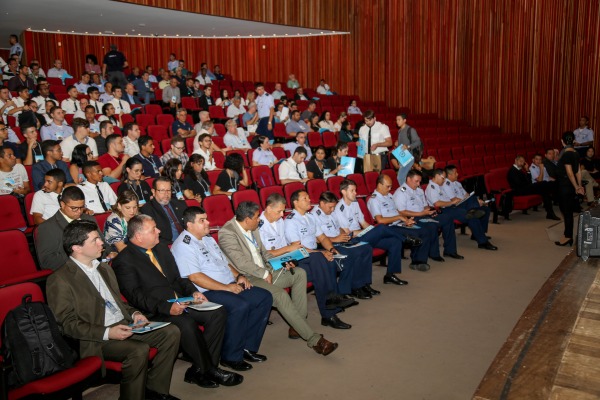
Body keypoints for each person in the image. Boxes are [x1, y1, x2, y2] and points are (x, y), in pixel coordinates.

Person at [46, 220, 181, 400]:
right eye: (95, 240)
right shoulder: (60, 279)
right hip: (96, 337)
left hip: (124, 324)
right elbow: (67, 324)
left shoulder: (103, 268)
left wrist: (135, 313)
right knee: (138, 350)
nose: (102, 243)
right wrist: (108, 332)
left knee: (171, 332)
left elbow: (118, 303)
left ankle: (155, 391)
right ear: (76, 248)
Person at [112, 214, 243, 388]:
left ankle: (200, 369)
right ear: (139, 236)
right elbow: (136, 296)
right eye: (153, 229)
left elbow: (178, 278)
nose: (159, 231)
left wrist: (193, 291)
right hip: (156, 310)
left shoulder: (161, 249)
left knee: (217, 312)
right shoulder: (124, 261)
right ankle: (210, 369)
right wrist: (167, 308)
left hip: (181, 300)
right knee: (186, 323)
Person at [218, 201, 339, 355]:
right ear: (247, 219)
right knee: (281, 296)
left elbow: (265, 254)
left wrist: (280, 264)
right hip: (248, 277)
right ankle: (315, 340)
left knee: (300, 273)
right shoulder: (227, 233)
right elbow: (241, 263)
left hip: (265, 270)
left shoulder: (252, 227)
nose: (259, 220)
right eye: (256, 217)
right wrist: (264, 273)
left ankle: (297, 326)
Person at [172, 206, 272, 371]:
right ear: (189, 225)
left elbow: (224, 262)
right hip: (206, 292)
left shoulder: (208, 238)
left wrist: (239, 276)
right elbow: (195, 277)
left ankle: (247, 347)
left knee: (263, 297)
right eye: (202, 220)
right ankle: (230, 356)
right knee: (240, 306)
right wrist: (226, 288)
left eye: (206, 218)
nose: (208, 223)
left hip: (227, 284)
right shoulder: (184, 244)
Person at [284, 190, 366, 322]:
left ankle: (332, 305)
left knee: (330, 260)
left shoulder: (310, 217)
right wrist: (322, 252)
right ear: (295, 202)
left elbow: (322, 238)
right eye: (305, 198)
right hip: (299, 258)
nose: (309, 200)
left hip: (314, 255)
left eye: (309, 197)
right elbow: (298, 248)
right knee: (323, 264)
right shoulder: (290, 221)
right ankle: (329, 312)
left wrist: (332, 250)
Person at [334, 179, 414, 283]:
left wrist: (371, 230)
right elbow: (348, 233)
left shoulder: (355, 202)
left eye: (355, 190)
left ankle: (390, 275)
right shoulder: (339, 208)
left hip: (363, 233)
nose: (356, 193)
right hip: (354, 240)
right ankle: (405, 238)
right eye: (352, 191)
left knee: (394, 242)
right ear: (343, 192)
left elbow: (363, 222)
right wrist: (371, 230)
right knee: (380, 227)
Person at [312, 191, 378, 299]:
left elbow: (339, 228)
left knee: (366, 248)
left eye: (334, 207)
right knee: (351, 254)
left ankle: (364, 284)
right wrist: (336, 239)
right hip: (329, 245)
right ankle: (351, 288)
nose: (333, 210)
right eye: (330, 207)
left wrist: (344, 235)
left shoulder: (331, 212)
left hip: (340, 241)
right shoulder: (314, 216)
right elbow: (318, 239)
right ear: (322, 203)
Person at [367, 174, 440, 270]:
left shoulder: (389, 196)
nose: (390, 189)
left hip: (399, 223)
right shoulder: (374, 199)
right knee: (417, 233)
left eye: (390, 186)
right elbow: (380, 220)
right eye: (387, 186)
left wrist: (406, 219)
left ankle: (420, 261)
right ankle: (416, 260)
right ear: (379, 185)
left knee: (425, 230)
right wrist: (398, 217)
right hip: (388, 227)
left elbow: (396, 211)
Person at [35, 186, 116, 270]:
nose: (79, 211)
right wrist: (81, 255)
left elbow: (103, 243)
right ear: (62, 204)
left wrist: (111, 252)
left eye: (82, 207)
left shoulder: (89, 219)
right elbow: (46, 262)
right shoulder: (47, 227)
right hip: (70, 272)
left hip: (97, 265)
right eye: (74, 208)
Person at [394, 170, 464, 261]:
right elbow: (401, 212)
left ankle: (450, 250)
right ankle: (433, 253)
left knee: (447, 218)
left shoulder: (419, 190)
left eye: (420, 181)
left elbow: (424, 205)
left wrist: (430, 210)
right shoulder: (401, 192)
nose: (419, 184)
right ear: (408, 179)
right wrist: (421, 213)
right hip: (412, 218)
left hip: (424, 214)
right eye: (416, 181)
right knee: (432, 225)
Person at [425, 169, 498, 250]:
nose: (444, 180)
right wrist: (451, 203)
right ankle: (483, 241)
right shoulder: (431, 188)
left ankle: (481, 239)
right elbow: (437, 204)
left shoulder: (439, 186)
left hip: (451, 207)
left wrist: (453, 202)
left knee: (472, 212)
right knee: (471, 215)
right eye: (443, 178)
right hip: (443, 210)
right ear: (437, 176)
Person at [507, 155, 560, 220]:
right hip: (518, 190)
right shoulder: (512, 170)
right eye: (520, 161)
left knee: (545, 190)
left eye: (523, 162)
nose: (522, 163)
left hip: (525, 188)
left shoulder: (520, 170)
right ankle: (552, 209)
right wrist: (528, 184)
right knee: (543, 184)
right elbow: (519, 184)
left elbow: (528, 181)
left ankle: (550, 213)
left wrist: (527, 170)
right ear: (515, 161)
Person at [555, 131, 585, 246]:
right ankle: (567, 234)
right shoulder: (576, 153)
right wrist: (579, 185)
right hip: (570, 186)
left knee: (566, 212)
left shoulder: (566, 154)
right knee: (568, 211)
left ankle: (568, 237)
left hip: (564, 186)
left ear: (562, 141)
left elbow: (569, 173)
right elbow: (578, 171)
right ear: (573, 141)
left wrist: (577, 186)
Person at [140, 177, 186, 245]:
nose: (166, 194)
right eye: (162, 190)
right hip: (169, 245)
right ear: (153, 191)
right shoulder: (147, 210)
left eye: (168, 190)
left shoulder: (180, 204)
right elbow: (153, 237)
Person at [394, 113, 422, 185]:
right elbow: (402, 145)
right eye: (396, 120)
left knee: (400, 177)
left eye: (399, 120)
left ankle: (404, 192)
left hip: (409, 157)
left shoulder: (410, 130)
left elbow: (418, 142)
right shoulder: (400, 131)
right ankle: (410, 192)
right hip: (402, 156)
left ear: (404, 120)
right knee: (406, 177)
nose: (397, 121)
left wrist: (408, 146)